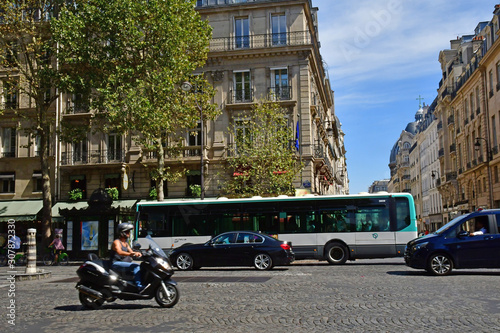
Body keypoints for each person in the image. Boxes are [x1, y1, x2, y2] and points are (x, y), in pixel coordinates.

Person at [110, 223, 143, 290]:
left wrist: (139, 253)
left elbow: (131, 252)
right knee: (136, 266)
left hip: (123, 263)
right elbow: (120, 252)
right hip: (116, 263)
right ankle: (139, 286)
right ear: (122, 233)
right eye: (127, 232)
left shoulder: (125, 243)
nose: (129, 233)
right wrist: (130, 254)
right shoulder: (116, 242)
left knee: (142, 266)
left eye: (129, 232)